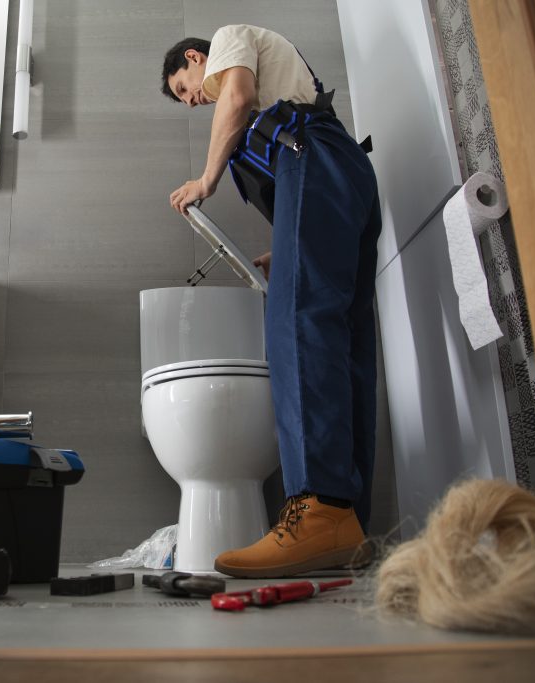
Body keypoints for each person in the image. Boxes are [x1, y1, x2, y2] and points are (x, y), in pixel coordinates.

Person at [161, 25, 382, 578]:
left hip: (314, 155)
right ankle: (346, 522)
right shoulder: (281, 92)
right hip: (341, 170)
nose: (195, 101)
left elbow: (235, 96)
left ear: (196, 58)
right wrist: (282, 248)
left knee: (296, 324)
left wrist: (207, 178)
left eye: (186, 88)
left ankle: (319, 508)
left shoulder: (230, 40)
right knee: (344, 340)